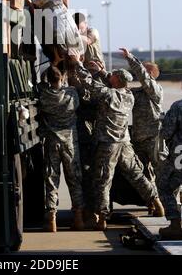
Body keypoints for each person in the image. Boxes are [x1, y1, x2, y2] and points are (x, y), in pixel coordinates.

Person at [69, 59, 165, 230]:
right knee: (137, 175)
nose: (110, 76)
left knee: (103, 181)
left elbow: (90, 84)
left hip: (108, 144)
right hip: (124, 143)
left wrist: (78, 64)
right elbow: (109, 84)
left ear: (116, 81)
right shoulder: (129, 96)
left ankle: (102, 218)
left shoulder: (109, 94)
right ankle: (156, 202)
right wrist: (103, 72)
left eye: (112, 76)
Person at [38, 65, 85, 232]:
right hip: (70, 142)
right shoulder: (71, 93)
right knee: (74, 179)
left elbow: (41, 85)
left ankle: (51, 219)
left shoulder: (44, 94)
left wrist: (46, 77)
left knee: (51, 180)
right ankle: (78, 218)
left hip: (52, 141)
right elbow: (78, 105)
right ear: (62, 78)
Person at [120, 48, 163, 213]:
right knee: (143, 174)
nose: (139, 74)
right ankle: (152, 202)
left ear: (150, 73)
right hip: (139, 139)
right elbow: (122, 90)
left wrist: (130, 58)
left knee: (161, 172)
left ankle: (168, 202)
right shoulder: (138, 92)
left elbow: (143, 77)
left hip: (154, 138)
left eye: (143, 70)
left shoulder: (155, 90)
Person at [157, 78, 182, 240]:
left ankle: (175, 225)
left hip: (180, 156)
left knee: (164, 185)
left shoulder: (178, 106)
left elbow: (166, 132)